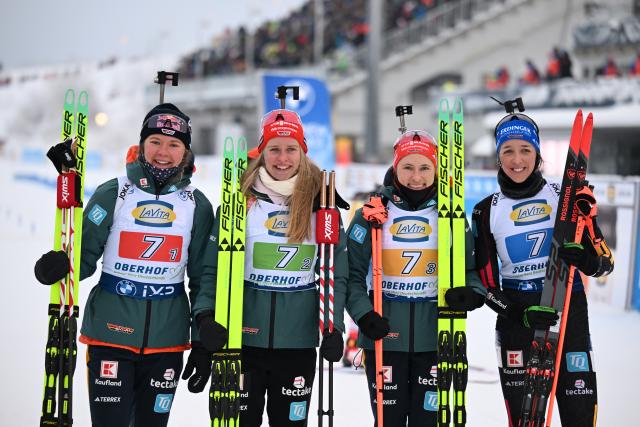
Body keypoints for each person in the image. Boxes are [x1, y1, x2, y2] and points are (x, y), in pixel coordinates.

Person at [34, 103, 226, 427]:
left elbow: (204, 275)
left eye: (174, 144)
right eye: (155, 142)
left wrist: (202, 329)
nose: (162, 152)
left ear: (185, 151)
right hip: (110, 332)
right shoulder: (115, 193)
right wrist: (59, 265)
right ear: (142, 144)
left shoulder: (197, 205)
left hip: (167, 339)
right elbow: (84, 256)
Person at [202, 107, 349, 426]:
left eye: (291, 149)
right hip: (242, 340)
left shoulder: (323, 208)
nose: (282, 158)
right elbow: (213, 269)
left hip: (297, 343)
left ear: (302, 152)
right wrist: (204, 317)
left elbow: (336, 275)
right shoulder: (238, 203)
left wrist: (334, 328)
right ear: (262, 152)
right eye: (274, 149)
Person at [472, 104, 614, 426]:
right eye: (508, 151)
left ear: (537, 154)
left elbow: (605, 263)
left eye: (525, 149)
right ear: (498, 156)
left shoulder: (565, 196)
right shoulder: (486, 211)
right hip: (517, 318)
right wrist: (517, 312)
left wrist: (587, 260)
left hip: (568, 311)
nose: (517, 160)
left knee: (579, 416)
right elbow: (484, 285)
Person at [345, 129, 485, 426]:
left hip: (436, 339)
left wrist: (472, 293)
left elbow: (470, 270)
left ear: (436, 170)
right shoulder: (372, 212)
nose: (416, 176)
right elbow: (350, 274)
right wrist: (364, 314)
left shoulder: (450, 215)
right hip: (384, 338)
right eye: (407, 167)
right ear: (395, 168)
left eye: (425, 168)